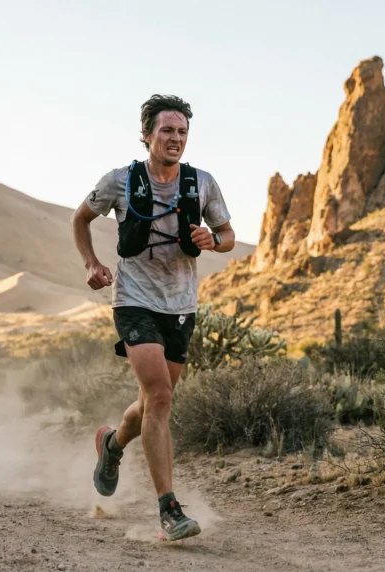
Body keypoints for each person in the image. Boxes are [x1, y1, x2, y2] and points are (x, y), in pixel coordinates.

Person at [70, 94, 234, 542]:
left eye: (182, 132)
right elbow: (80, 219)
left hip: (181, 305)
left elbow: (228, 235)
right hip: (134, 300)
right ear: (147, 134)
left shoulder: (202, 183)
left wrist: (212, 239)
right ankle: (169, 510)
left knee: (149, 405)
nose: (175, 139)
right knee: (160, 397)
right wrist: (91, 264)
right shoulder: (120, 181)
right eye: (167, 131)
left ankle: (112, 443)